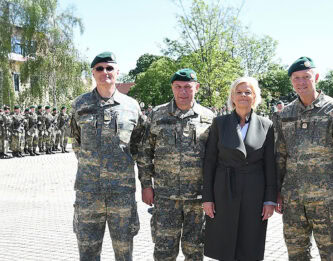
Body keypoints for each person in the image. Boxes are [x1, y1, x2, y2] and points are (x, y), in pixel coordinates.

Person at [274, 57, 333, 261]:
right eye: (296, 78)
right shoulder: (286, 114)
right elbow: (280, 156)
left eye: (306, 77)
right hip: (293, 200)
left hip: (326, 200)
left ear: (316, 77)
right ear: (291, 81)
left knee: (330, 255)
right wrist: (276, 191)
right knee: (296, 255)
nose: (301, 82)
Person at [70, 51, 144, 260]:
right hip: (88, 193)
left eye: (109, 68)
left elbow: (138, 145)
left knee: (124, 253)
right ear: (93, 73)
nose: (105, 72)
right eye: (99, 68)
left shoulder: (131, 106)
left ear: (117, 72)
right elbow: (76, 142)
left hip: (121, 194)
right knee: (88, 253)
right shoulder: (79, 105)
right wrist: (91, 164)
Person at [137, 69, 214, 261]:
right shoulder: (157, 114)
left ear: (196, 87)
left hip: (197, 198)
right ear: (172, 88)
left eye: (187, 87)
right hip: (165, 197)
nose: (183, 92)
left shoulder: (208, 117)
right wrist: (146, 185)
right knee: (164, 252)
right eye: (178, 87)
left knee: (195, 251)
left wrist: (212, 194)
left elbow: (216, 159)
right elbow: (145, 153)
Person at [202, 76, 277, 261]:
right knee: (224, 243)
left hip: (254, 191)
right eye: (239, 92)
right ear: (232, 97)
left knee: (250, 243)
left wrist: (269, 200)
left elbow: (270, 165)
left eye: (248, 92)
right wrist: (208, 198)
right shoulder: (220, 123)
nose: (243, 95)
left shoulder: (266, 125)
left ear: (255, 97)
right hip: (224, 190)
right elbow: (210, 161)